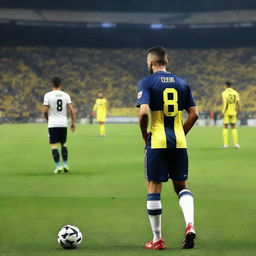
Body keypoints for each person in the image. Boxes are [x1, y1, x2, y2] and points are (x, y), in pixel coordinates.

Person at [136, 46, 199, 250]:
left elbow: (144, 113)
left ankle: (157, 239)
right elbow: (194, 114)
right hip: (179, 142)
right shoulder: (182, 83)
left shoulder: (147, 82)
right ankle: (190, 225)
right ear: (166, 61)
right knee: (182, 187)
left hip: (157, 142)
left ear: (152, 63)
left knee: (154, 187)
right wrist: (181, 133)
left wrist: (145, 135)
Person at [43, 77, 76, 174]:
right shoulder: (66, 95)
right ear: (60, 85)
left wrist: (48, 119)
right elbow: (71, 110)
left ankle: (58, 167)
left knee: (54, 145)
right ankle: (65, 165)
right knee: (64, 144)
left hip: (52, 124)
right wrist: (73, 122)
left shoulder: (47, 95)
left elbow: (45, 111)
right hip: (63, 123)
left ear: (52, 84)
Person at [220, 81, 240, 149]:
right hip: (233, 112)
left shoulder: (224, 93)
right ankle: (236, 144)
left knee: (225, 127)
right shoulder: (236, 92)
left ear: (226, 85)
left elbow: (225, 103)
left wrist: (223, 112)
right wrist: (238, 111)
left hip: (227, 112)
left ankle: (225, 145)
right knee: (234, 127)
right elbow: (238, 103)